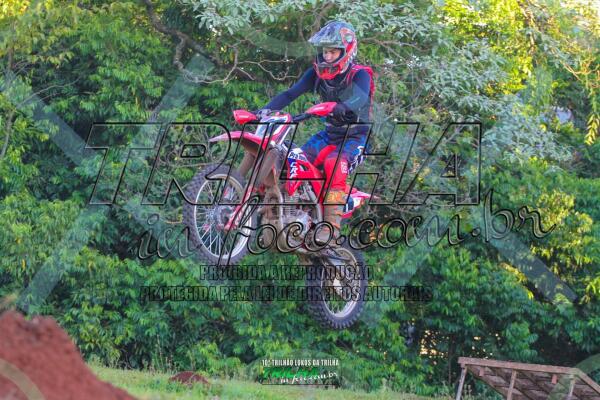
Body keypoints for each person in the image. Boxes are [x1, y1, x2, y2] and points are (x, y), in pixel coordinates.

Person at [256, 20, 374, 245]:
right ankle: (289, 212)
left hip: (355, 137)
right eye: (325, 51)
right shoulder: (317, 73)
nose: (327, 56)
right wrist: (263, 111)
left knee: (334, 164)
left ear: (346, 51)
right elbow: (290, 93)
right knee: (294, 161)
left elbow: (360, 98)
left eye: (333, 52)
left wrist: (340, 107)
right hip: (329, 135)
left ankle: (331, 227)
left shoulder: (360, 74)